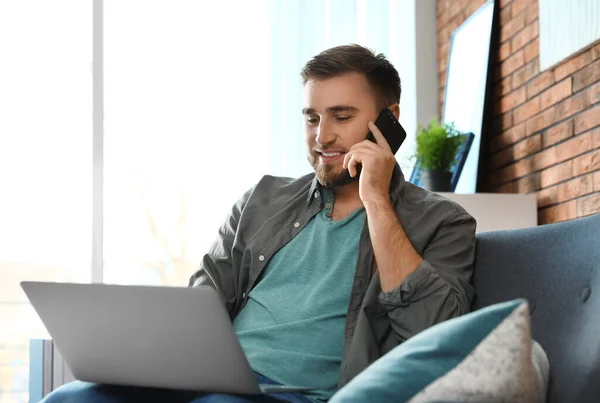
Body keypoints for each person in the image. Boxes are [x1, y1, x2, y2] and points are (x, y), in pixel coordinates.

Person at [42, 44, 476, 403]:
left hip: (295, 396)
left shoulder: (442, 222)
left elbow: (436, 334)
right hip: (207, 384)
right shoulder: (262, 199)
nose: (321, 136)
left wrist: (377, 200)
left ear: (389, 121)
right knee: (68, 399)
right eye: (311, 117)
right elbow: (202, 304)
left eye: (341, 117)